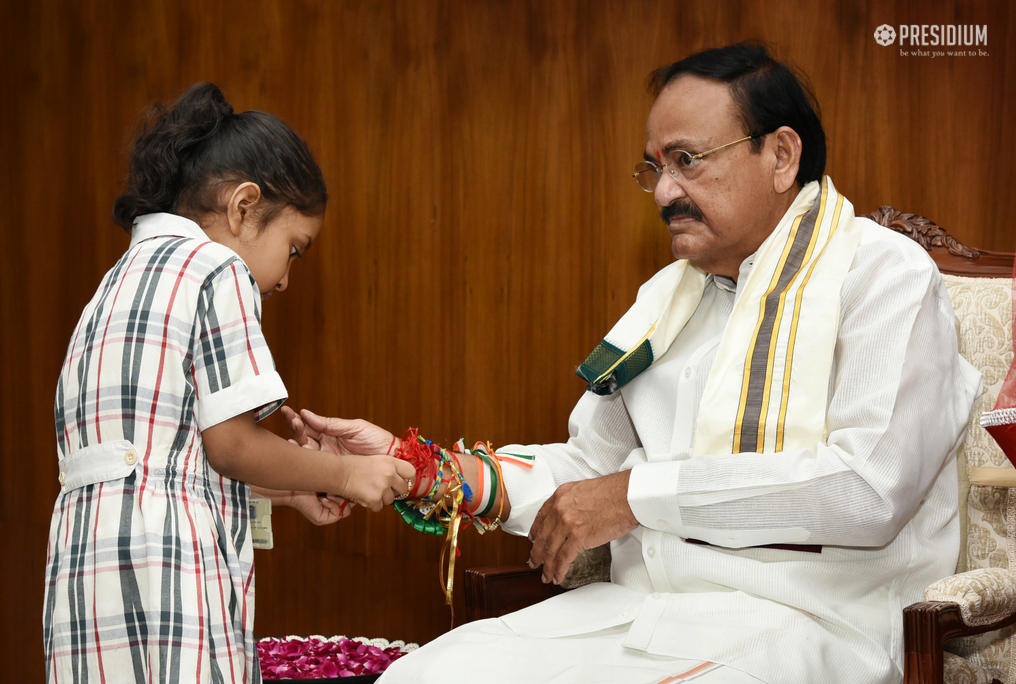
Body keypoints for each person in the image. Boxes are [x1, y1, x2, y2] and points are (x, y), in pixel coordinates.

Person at [290, 43, 982, 684]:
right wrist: (426, 471)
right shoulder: (667, 298)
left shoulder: (883, 275)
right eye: (655, 166)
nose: (663, 192)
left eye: (688, 160)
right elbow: (589, 471)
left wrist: (636, 497)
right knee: (425, 676)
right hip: (640, 611)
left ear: (780, 154)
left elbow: (868, 489)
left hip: (805, 623)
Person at [43, 83, 416, 684]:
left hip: (83, 572)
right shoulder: (218, 269)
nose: (287, 280)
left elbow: (163, 460)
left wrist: (289, 490)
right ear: (244, 207)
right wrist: (348, 473)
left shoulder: (111, 285)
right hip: (171, 575)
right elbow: (232, 445)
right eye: (295, 250)